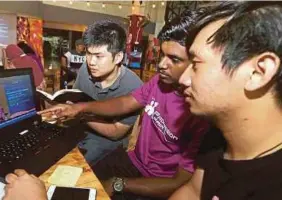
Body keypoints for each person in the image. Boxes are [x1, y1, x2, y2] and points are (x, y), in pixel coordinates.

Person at [37, 10, 208, 200]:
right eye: (162, 55)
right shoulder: (160, 81)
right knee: (76, 183)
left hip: (158, 181)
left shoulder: (202, 114)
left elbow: (179, 184)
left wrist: (119, 184)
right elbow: (126, 102)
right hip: (134, 161)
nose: (161, 65)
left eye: (174, 59)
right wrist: (79, 108)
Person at [170, 2, 282, 200]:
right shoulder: (218, 134)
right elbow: (193, 192)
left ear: (258, 72)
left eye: (195, 64)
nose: (183, 79)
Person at [71, 20, 143, 165]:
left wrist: (79, 113)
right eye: (88, 54)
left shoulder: (134, 87)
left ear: (118, 57)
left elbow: (116, 133)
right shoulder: (86, 69)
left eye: (99, 56)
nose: (91, 62)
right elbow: (75, 97)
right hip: (78, 128)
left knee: (75, 167)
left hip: (106, 141)